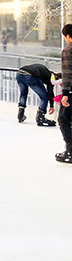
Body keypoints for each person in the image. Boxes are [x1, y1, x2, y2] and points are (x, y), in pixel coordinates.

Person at [56, 24, 72, 163]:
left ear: (68, 36)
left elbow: (68, 72)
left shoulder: (68, 50)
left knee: (63, 119)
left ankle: (71, 151)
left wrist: (65, 93)